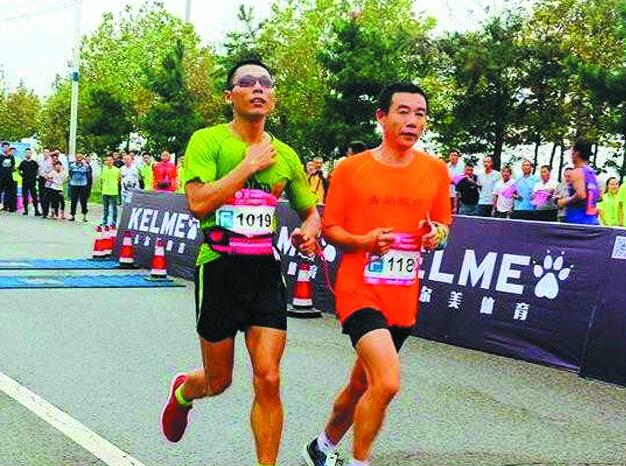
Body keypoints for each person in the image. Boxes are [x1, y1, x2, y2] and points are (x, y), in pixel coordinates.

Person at [159, 59, 320, 466]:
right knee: (219, 381)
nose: (258, 88)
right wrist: (248, 165)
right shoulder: (207, 140)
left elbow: (311, 211)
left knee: (269, 376)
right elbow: (198, 203)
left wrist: (310, 230)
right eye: (247, 82)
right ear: (229, 96)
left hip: (264, 271)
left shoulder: (287, 155)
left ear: (273, 97)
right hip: (218, 267)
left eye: (266, 82)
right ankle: (184, 391)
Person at [301, 82, 451, 466]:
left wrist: (436, 234)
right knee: (387, 381)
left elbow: (443, 227)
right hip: (359, 289)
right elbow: (331, 229)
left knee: (361, 384)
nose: (412, 121)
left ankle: (321, 446)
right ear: (381, 117)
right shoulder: (351, 168)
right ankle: (360, 462)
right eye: (403, 111)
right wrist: (364, 240)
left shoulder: (435, 171)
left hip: (402, 296)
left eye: (420, 114)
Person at [557, 141, 600, 225]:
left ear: (577, 153)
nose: (570, 155)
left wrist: (563, 202)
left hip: (577, 220)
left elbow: (581, 195)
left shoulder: (576, 172)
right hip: (592, 219)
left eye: (571, 151)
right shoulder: (591, 172)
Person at [18, 148, 41, 216]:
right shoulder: (23, 162)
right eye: (27, 152)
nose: (28, 154)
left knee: (34, 197)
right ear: (25, 154)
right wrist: (22, 175)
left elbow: (38, 171)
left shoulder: (34, 162)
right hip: (25, 182)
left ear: (31, 154)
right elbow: (19, 170)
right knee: (25, 196)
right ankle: (25, 210)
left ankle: (36, 211)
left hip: (32, 182)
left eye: (29, 153)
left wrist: (36, 176)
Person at [68, 153, 90, 222]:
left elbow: (88, 175)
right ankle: (72, 215)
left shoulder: (86, 165)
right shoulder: (72, 165)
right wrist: (73, 179)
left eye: (80, 157)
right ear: (75, 158)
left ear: (82, 158)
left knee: (83, 200)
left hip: (83, 185)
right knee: (73, 200)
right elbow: (70, 173)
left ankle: (84, 216)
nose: (79, 159)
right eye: (77, 157)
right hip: (74, 184)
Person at [100, 155, 120, 226]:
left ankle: (114, 222)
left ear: (113, 161)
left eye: (111, 160)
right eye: (108, 160)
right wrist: (102, 188)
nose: (109, 161)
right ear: (106, 162)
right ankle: (104, 221)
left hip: (113, 191)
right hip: (105, 191)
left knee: (114, 207)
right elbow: (102, 180)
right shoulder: (104, 169)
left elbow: (119, 180)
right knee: (105, 207)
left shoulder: (117, 170)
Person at [0, 144, 17, 212]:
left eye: (7, 147)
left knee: (7, 193)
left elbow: (13, 166)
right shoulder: (0, 156)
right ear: (2, 148)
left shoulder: (11, 157)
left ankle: (5, 206)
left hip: (9, 178)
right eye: (5, 147)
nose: (6, 148)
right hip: (1, 177)